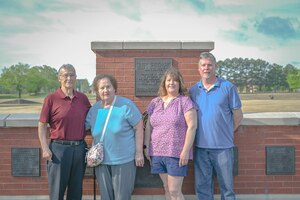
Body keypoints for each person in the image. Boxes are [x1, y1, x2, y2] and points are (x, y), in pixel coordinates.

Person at [189, 52, 243, 200]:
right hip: (201, 148)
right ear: (199, 69)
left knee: (227, 189)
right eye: (203, 65)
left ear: (215, 67)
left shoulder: (228, 87)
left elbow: (238, 115)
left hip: (223, 148)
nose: (206, 68)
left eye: (209, 65)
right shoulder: (194, 90)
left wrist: (226, 131)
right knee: (203, 189)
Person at [85, 74, 144, 200]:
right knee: (106, 197)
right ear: (97, 91)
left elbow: (139, 127)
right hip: (101, 162)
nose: (105, 90)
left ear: (114, 88)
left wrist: (139, 153)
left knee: (122, 197)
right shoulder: (94, 110)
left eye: (108, 87)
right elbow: (83, 128)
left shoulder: (126, 105)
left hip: (123, 161)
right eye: (102, 88)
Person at [38, 64, 91, 200]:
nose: (69, 78)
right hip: (59, 150)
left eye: (72, 75)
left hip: (79, 149)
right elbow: (42, 125)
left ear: (76, 77)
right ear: (59, 78)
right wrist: (45, 148)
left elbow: (91, 120)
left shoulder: (83, 98)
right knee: (57, 191)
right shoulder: (51, 99)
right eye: (65, 75)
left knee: (76, 190)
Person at [144, 67, 197, 200]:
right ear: (164, 83)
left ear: (180, 84)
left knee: (174, 191)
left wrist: (185, 151)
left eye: (175, 80)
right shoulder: (155, 102)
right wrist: (146, 147)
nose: (171, 83)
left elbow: (192, 126)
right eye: (168, 80)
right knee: (166, 188)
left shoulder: (185, 101)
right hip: (157, 152)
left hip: (176, 153)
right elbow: (148, 127)